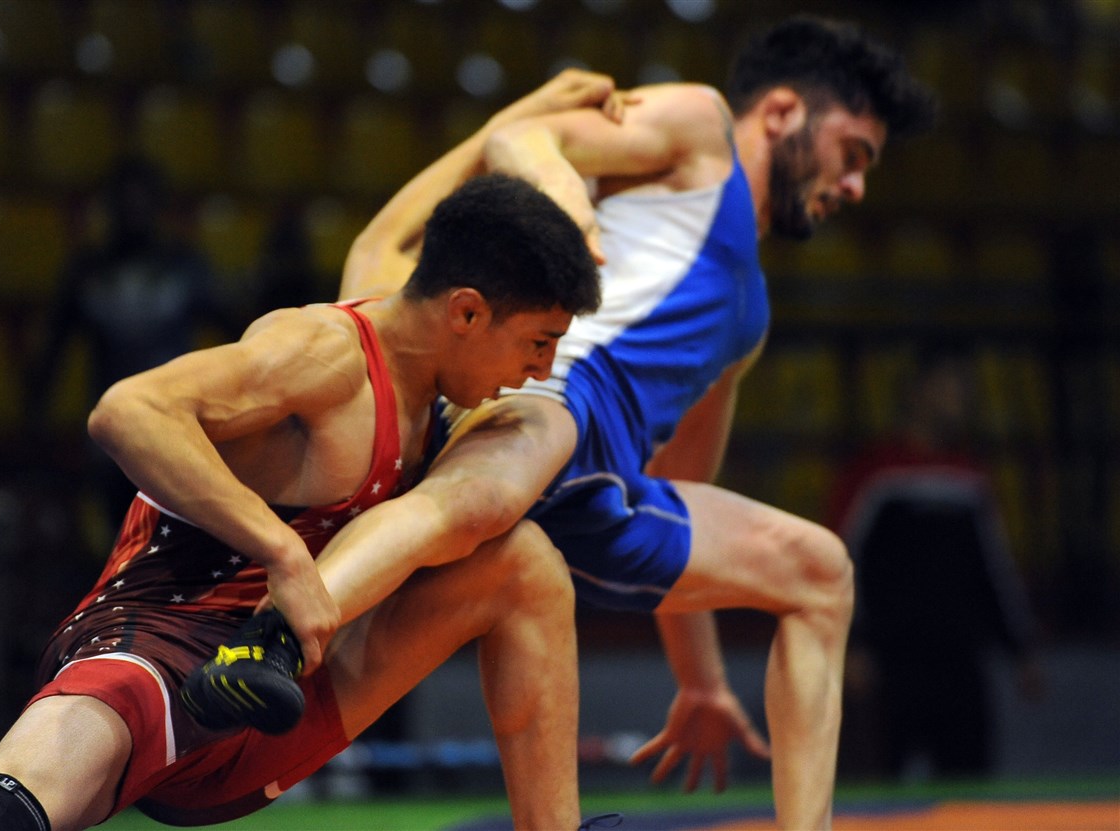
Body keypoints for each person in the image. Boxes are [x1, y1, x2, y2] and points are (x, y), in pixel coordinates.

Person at [323, 15, 937, 830]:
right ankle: (284, 626)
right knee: (491, 491)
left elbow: (680, 486)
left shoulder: (748, 317)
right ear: (784, 111)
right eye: (853, 153)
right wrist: (571, 210)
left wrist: (702, 681)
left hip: (600, 491)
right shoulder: (702, 128)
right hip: (542, 396)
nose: (855, 186)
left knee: (822, 573)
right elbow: (521, 140)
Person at [0, 166, 608, 831]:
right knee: (50, 766)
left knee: (524, 561)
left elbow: (390, 226)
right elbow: (127, 411)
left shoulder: (425, 364)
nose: (541, 370)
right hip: (163, 644)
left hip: (287, 685)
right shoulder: (324, 353)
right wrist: (282, 550)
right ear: (466, 310)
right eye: (538, 342)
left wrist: (542, 111)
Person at [829, 346, 1044, 781]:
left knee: (968, 788)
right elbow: (836, 561)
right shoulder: (875, 472)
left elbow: (995, 570)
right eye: (951, 385)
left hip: (960, 659)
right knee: (877, 789)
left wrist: (1021, 649)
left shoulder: (970, 476)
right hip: (889, 662)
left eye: (966, 388)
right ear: (917, 390)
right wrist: (849, 645)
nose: (961, 397)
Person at [26, 156, 235, 534]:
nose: (133, 209)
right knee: (121, 540)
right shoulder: (87, 269)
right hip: (112, 435)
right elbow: (53, 353)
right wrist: (37, 422)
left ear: (158, 204)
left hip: (178, 430)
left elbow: (235, 339)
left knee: (178, 542)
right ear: (109, 206)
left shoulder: (184, 266)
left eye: (142, 199)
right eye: (125, 200)